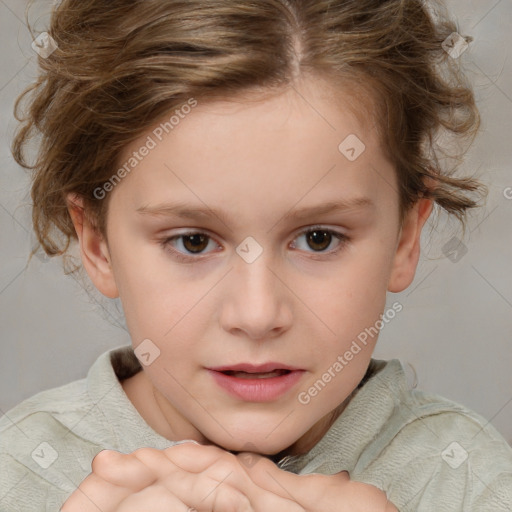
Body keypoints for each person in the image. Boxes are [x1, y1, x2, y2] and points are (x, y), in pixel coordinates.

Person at [1, 0, 511, 510]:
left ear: (404, 239)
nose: (257, 314)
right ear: (98, 243)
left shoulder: (467, 478)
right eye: (193, 241)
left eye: (318, 239)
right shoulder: (19, 470)